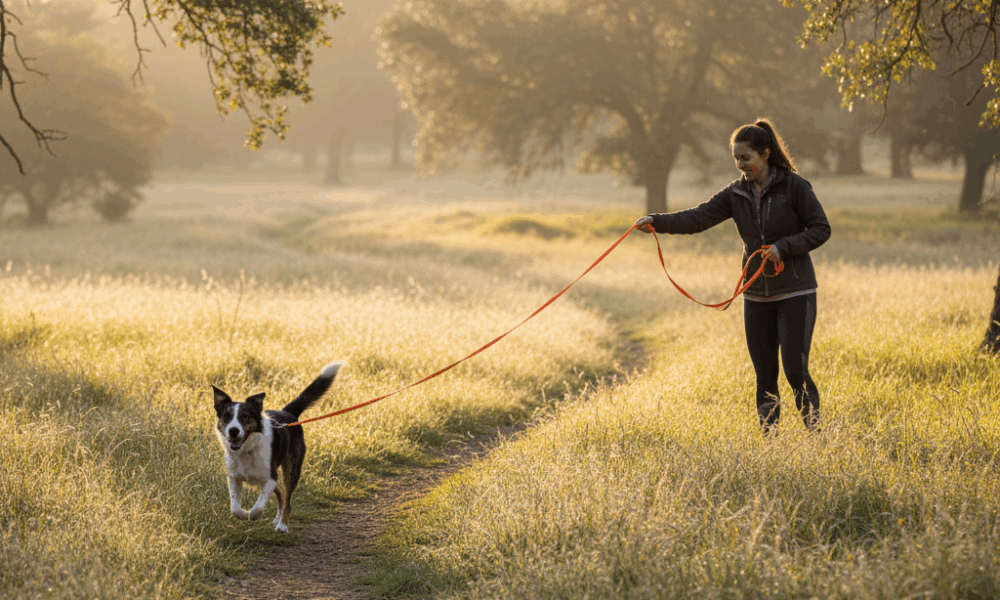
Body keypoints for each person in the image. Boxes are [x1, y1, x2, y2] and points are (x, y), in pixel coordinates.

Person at [634, 118, 831, 434]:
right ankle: (770, 440)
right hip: (756, 296)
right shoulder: (735, 194)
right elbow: (698, 217)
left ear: (765, 154)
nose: (741, 165)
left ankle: (817, 435)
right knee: (764, 375)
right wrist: (657, 221)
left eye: (746, 158)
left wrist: (784, 247)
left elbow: (821, 228)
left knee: (795, 371)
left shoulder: (795, 187)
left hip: (795, 292)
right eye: (737, 159)